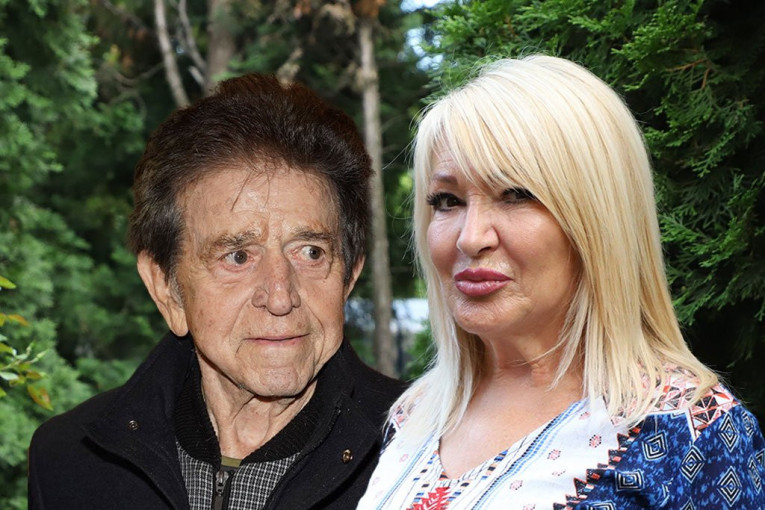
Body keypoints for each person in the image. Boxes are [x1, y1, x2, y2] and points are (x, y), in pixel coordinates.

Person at [358, 55, 765, 509]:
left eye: (515, 194)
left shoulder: (692, 434)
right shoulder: (413, 415)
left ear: (597, 217)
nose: (470, 237)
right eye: (447, 200)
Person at [28, 73, 405, 509]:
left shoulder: (429, 456)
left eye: (311, 252)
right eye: (238, 257)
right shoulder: (68, 462)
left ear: (349, 276)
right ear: (166, 288)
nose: (280, 297)